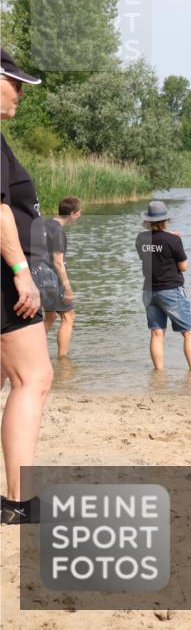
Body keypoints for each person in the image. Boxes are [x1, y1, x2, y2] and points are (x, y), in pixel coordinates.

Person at [0, 49, 51, 524]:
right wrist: (22, 273)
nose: (20, 93)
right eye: (14, 82)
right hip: (3, 276)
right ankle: (17, 502)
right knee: (32, 378)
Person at [134, 201, 191, 371]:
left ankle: (159, 371)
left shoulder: (141, 239)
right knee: (190, 332)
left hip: (149, 292)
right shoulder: (174, 240)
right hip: (170, 290)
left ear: (148, 220)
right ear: (166, 219)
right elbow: (183, 267)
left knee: (156, 332)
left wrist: (169, 236)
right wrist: (173, 237)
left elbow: (155, 244)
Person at [42, 196, 82, 357]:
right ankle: (63, 358)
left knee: (50, 315)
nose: (80, 215)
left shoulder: (45, 223)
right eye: (79, 213)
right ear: (73, 213)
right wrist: (67, 288)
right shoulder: (59, 231)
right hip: (52, 278)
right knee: (68, 316)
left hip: (39, 276)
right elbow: (58, 262)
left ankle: (31, 349)